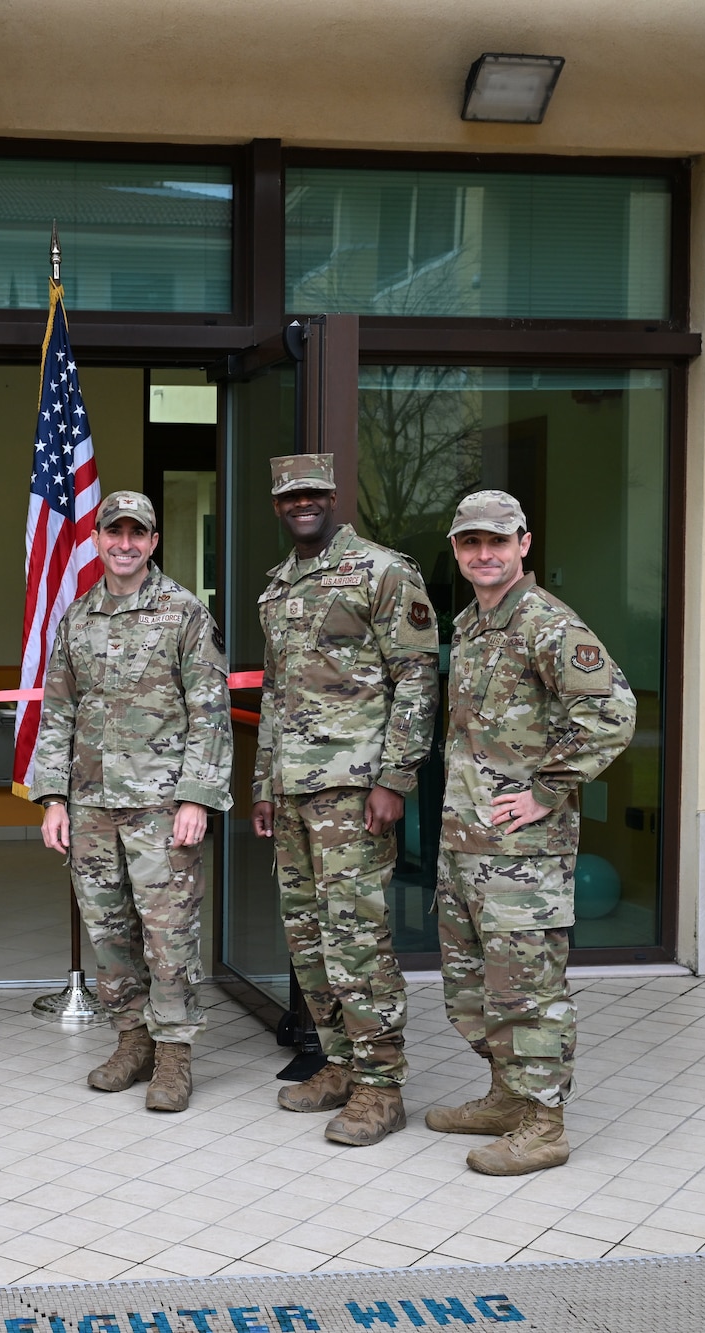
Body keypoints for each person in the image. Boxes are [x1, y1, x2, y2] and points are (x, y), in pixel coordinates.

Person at [426, 489, 635, 1175]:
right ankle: (507, 1097)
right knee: (469, 989)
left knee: (526, 989)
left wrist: (548, 790)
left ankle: (544, 1125)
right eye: (470, 542)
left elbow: (611, 711)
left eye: (497, 540)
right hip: (467, 844)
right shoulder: (473, 624)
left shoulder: (545, 622)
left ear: (524, 543)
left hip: (522, 856)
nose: (483, 553)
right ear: (457, 550)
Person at [251, 454, 440, 1146]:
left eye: (312, 492)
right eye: (289, 495)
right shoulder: (276, 590)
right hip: (294, 791)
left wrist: (396, 779)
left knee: (358, 937)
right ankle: (337, 1062)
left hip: (355, 792)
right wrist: (262, 784)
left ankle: (381, 1085)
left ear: (332, 496)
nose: (302, 502)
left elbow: (416, 680)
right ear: (278, 505)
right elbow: (274, 696)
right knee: (307, 935)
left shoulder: (384, 571)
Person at [29, 491, 232, 1113]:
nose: (124, 543)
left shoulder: (184, 613)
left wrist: (197, 797)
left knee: (168, 932)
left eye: (135, 533)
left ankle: (174, 1056)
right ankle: (132, 1039)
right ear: (97, 539)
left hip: (161, 807)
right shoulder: (78, 617)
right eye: (113, 532)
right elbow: (59, 708)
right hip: (90, 805)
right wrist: (53, 797)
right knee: (109, 928)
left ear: (152, 541)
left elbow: (210, 710)